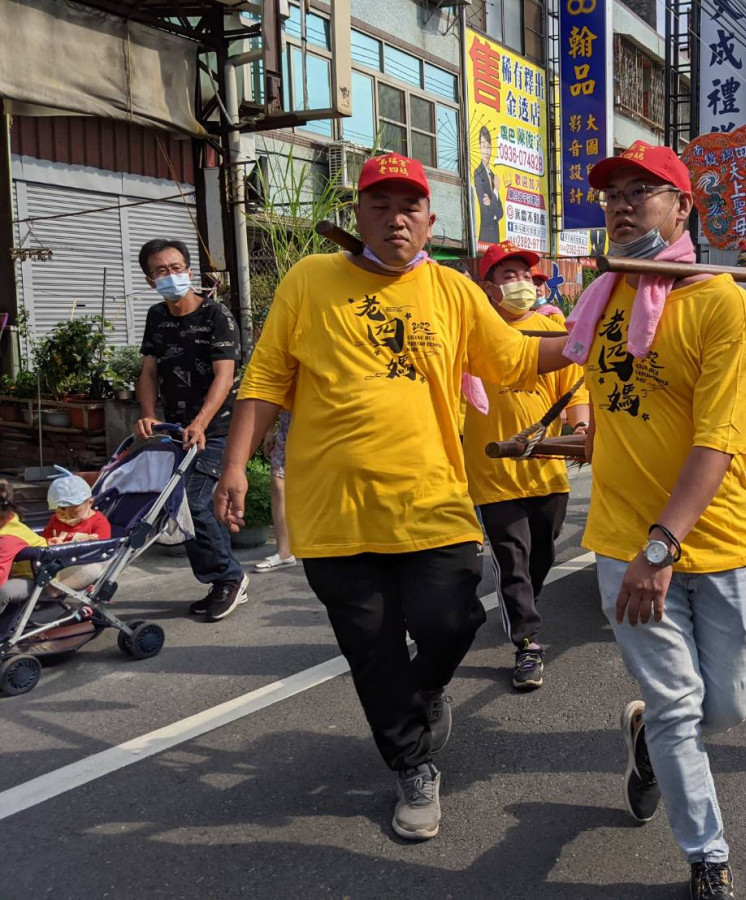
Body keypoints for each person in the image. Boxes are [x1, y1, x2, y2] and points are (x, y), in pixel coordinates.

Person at [211, 153, 571, 843]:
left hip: (432, 502)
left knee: (454, 619)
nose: (395, 216)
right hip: (334, 513)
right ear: (359, 216)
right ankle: (411, 766)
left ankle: (424, 693)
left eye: (409, 206)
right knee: (371, 651)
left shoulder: (454, 292)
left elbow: (519, 359)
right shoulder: (310, 280)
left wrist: (597, 332)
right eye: (380, 205)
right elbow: (266, 379)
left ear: (430, 221)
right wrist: (233, 465)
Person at [569, 142, 746, 900]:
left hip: (709, 541)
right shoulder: (605, 296)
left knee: (729, 704)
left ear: (682, 208)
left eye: (643, 191)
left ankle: (645, 739)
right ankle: (707, 857)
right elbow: (559, 354)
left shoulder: (722, 305)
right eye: (613, 192)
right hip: (624, 540)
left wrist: (665, 544)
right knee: (683, 707)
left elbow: (719, 439)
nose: (621, 203)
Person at [463, 242, 589, 691]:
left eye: (523, 275)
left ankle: (523, 605)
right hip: (492, 471)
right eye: (508, 276)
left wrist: (580, 432)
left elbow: (574, 391)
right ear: (488, 288)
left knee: (543, 553)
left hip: (547, 467)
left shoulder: (550, 331)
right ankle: (527, 643)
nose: (518, 284)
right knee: (512, 560)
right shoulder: (471, 333)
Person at [135, 238, 247, 622]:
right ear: (151, 280)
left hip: (219, 430)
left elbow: (224, 376)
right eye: (161, 271)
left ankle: (229, 578)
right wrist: (148, 414)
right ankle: (220, 579)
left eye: (177, 267)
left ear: (189, 270)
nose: (171, 275)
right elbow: (149, 372)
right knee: (181, 506)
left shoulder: (217, 316)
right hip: (175, 430)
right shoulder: (156, 317)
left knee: (197, 501)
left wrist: (200, 423)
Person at [42, 473, 112, 592]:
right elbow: (45, 537)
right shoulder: (55, 519)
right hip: (58, 561)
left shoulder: (99, 521)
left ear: (90, 503)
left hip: (83, 562)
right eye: (62, 513)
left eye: (74, 513)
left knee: (92, 569)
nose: (68, 517)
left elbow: (103, 548)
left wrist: (90, 541)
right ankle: (47, 587)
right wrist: (50, 542)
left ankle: (55, 589)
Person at [255, 411, 296, 571]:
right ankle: (284, 552)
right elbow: (275, 392)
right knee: (278, 482)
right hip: (287, 427)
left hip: (319, 427)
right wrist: (269, 430)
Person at [0, 480, 45, 616]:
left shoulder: (8, 537)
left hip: (38, 580)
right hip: (15, 573)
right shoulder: (9, 522)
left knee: (3, 591)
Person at [473, 126, 502, 245]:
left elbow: (500, 213)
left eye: (488, 147)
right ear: (479, 147)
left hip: (496, 235)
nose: (486, 151)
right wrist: (495, 192)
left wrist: (492, 202)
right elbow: (486, 214)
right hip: (485, 235)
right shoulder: (478, 173)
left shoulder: (493, 176)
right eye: (483, 146)